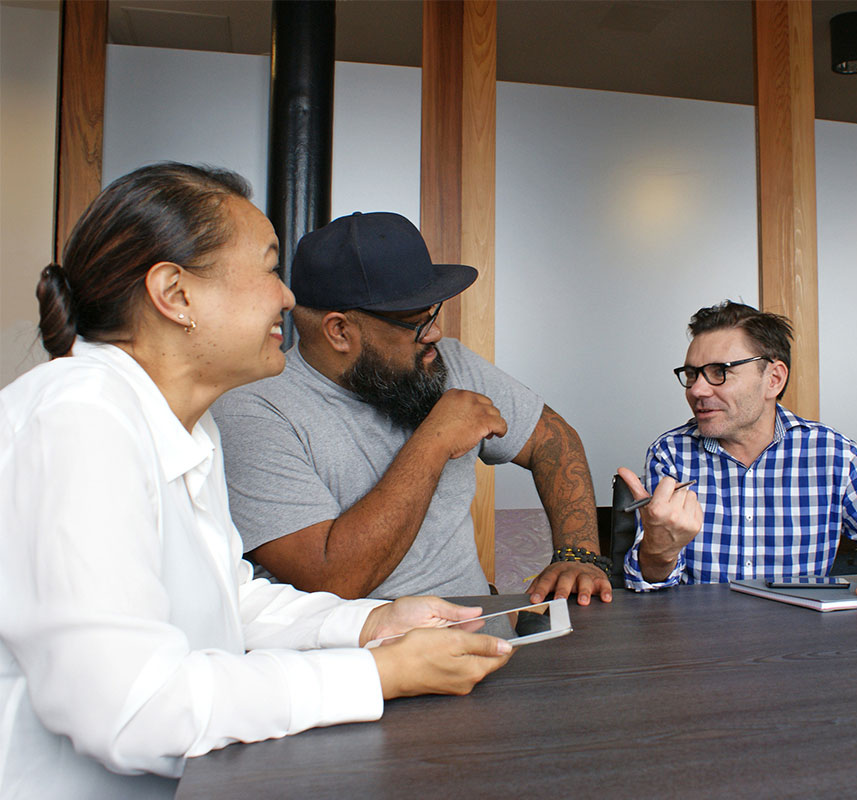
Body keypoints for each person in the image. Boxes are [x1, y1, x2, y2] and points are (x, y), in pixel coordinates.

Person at [0, 164, 512, 799]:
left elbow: (232, 601)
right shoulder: (78, 420)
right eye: (269, 268)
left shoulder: (188, 426)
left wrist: (374, 624)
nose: (288, 298)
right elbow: (130, 709)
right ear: (176, 294)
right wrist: (374, 675)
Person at [210, 212, 612, 606]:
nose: (435, 333)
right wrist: (435, 441)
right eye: (416, 322)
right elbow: (332, 578)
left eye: (433, 314)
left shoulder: (443, 361)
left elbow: (553, 441)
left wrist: (578, 555)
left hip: (473, 629)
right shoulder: (253, 411)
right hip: (356, 658)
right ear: (339, 331)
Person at [618, 301, 857, 608]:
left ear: (774, 379)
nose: (697, 390)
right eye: (692, 374)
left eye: (719, 372)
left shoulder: (832, 455)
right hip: (698, 645)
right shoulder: (671, 453)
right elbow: (648, 587)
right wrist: (659, 551)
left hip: (802, 648)